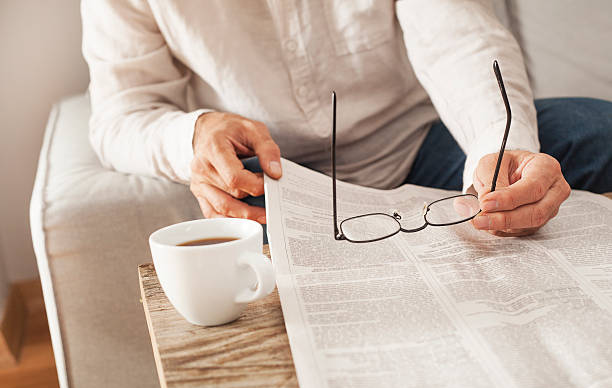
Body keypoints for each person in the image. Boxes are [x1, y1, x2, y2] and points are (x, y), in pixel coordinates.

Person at [82, 1, 612, 240]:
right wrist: (193, 135)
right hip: (276, 181)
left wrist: (500, 149)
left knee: (596, 129)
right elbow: (121, 114)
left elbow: (459, 37)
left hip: (428, 143)